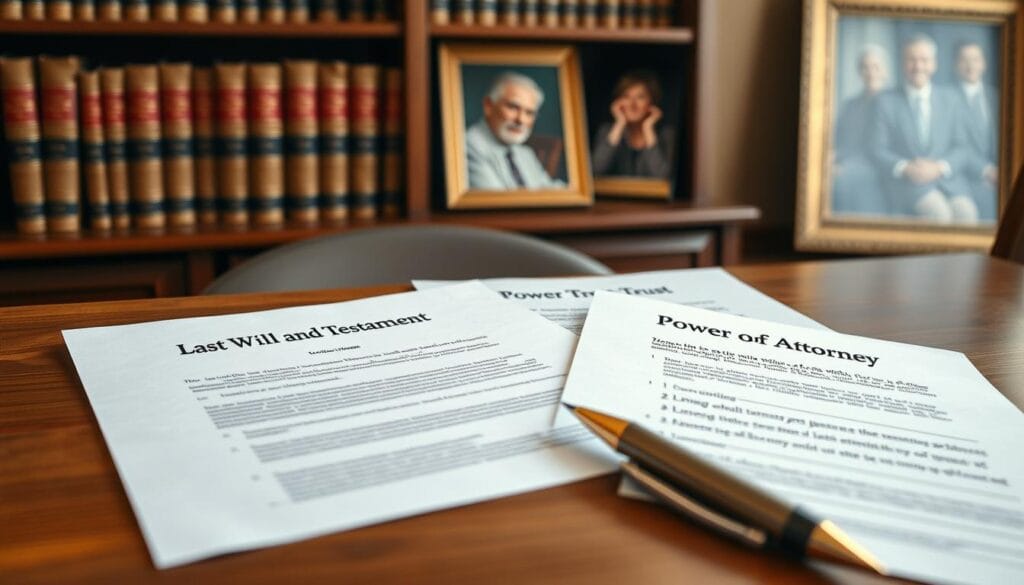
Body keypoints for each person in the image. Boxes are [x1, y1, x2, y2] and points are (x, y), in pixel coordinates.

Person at [869, 34, 977, 223]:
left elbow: (963, 147)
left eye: (924, 60)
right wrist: (905, 167)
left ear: (934, 64)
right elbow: (877, 149)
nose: (918, 67)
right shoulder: (886, 101)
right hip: (908, 184)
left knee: (967, 214)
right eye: (912, 60)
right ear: (903, 64)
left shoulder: (951, 99)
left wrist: (939, 167)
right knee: (939, 215)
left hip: (948, 182)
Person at [465, 72, 565, 190]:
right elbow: (497, 203)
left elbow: (547, 189)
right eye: (513, 107)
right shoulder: (467, 147)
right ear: (488, 106)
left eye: (529, 113)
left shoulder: (524, 153)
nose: (520, 120)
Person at [831, 45, 888, 215]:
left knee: (840, 178)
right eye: (865, 67)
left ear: (885, 72)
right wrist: (831, 156)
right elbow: (842, 139)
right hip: (849, 158)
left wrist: (844, 163)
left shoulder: (892, 103)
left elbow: (874, 147)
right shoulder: (851, 105)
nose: (870, 73)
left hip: (875, 163)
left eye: (876, 67)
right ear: (859, 72)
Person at [591, 71, 674, 179]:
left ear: (652, 102)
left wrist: (648, 129)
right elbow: (596, 169)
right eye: (626, 97)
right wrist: (619, 124)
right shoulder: (607, 131)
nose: (632, 104)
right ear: (619, 102)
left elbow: (663, 175)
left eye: (640, 97)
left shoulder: (666, 135)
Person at [953, 41, 999, 222]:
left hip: (998, 175)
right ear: (956, 65)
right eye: (964, 60)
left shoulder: (996, 97)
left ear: (984, 64)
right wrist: (986, 170)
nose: (971, 66)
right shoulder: (946, 99)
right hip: (964, 177)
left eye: (975, 59)